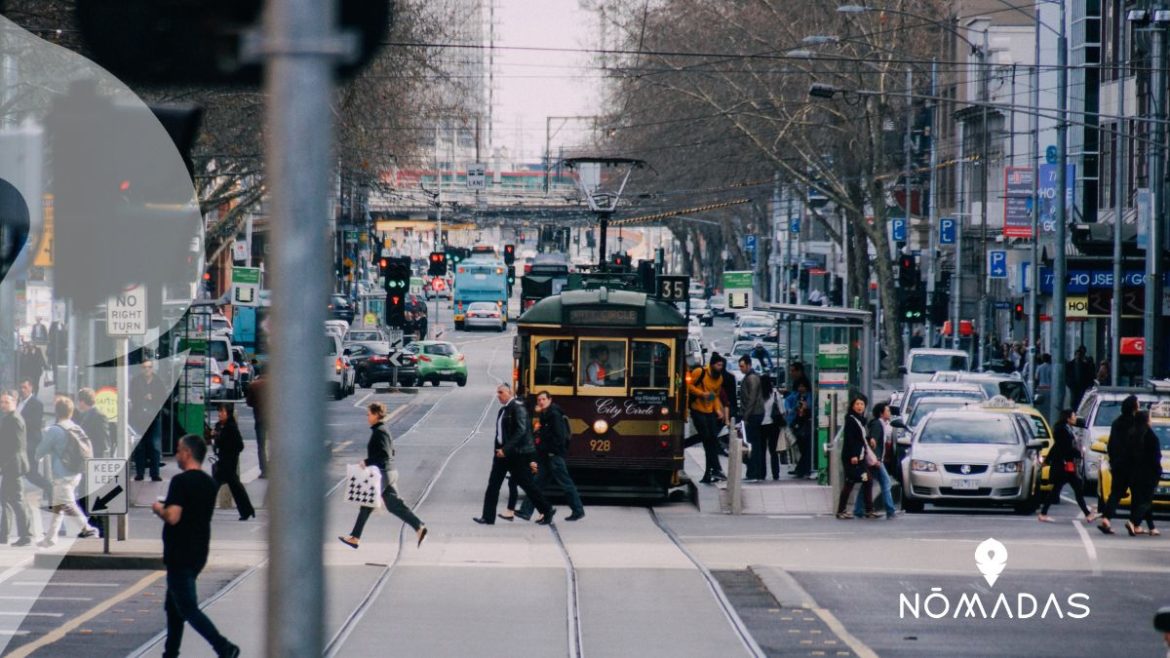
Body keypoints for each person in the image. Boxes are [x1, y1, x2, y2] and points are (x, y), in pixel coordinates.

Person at [152, 435, 240, 658]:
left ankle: (223, 646)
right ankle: (170, 653)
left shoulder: (180, 482)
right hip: (199, 551)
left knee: (188, 608)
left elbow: (173, 516)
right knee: (173, 608)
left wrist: (158, 508)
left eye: (179, 450)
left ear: (188, 453)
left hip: (179, 553)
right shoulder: (208, 483)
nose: (177, 455)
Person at [339, 402, 428, 547]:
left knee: (366, 504)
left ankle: (355, 537)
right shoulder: (383, 430)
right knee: (394, 506)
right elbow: (391, 452)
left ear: (376, 414)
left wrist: (366, 462)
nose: (367, 417)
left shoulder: (380, 431)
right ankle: (419, 527)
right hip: (389, 472)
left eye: (369, 414)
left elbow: (384, 454)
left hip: (383, 474)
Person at [473, 384, 556, 525]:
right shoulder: (503, 410)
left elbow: (521, 431)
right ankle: (488, 517)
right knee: (493, 484)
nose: (498, 395)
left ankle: (547, 510)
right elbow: (501, 433)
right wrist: (499, 450)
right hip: (502, 454)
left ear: (510, 392)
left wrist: (506, 449)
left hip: (515, 454)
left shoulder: (517, 408)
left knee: (527, 484)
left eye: (501, 392)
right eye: (497, 392)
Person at [35, 396, 97, 547]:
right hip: (76, 472)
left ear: (56, 412)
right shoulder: (76, 427)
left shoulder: (55, 430)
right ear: (71, 412)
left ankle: (88, 529)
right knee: (59, 506)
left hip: (62, 474)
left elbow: (39, 452)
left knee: (68, 504)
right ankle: (50, 538)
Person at [518, 391, 585, 521]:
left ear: (550, 400)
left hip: (553, 456)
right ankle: (525, 511)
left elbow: (559, 436)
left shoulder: (554, 414)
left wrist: (548, 448)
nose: (541, 402)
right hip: (547, 456)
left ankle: (578, 510)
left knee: (566, 484)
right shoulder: (547, 414)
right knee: (537, 484)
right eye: (539, 400)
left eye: (543, 399)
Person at [1038, 409, 1095, 523]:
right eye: (1073, 416)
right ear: (1068, 418)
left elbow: (1056, 447)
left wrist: (1048, 460)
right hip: (1063, 465)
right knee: (1072, 489)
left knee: (1061, 490)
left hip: (1065, 465)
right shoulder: (1062, 430)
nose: (1075, 418)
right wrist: (1078, 453)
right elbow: (1064, 448)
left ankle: (1044, 513)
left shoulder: (1065, 429)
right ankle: (1088, 514)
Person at [1099, 394, 1139, 534]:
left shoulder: (1117, 423)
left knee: (1115, 493)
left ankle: (1106, 518)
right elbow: (1138, 444)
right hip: (1133, 464)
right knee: (1137, 494)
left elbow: (1111, 444)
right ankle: (1133, 522)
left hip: (1118, 464)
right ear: (1134, 407)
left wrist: (1113, 460)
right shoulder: (1135, 423)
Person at [208, 404, 255, 522]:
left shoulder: (231, 427)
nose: (219, 414)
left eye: (222, 412)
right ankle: (247, 510)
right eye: (219, 412)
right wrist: (214, 436)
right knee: (235, 488)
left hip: (228, 462)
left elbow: (239, 445)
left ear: (228, 413)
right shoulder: (219, 426)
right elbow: (215, 441)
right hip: (222, 462)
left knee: (215, 487)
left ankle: (204, 510)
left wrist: (222, 442)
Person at [688, 353, 727, 484]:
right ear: (712, 364)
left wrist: (718, 411)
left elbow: (714, 396)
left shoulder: (719, 378)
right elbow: (689, 386)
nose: (720, 367)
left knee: (711, 441)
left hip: (709, 411)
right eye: (718, 365)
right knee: (707, 439)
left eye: (722, 365)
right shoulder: (700, 372)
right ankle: (715, 469)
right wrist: (701, 394)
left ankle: (709, 473)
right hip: (697, 410)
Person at [0, 391, 33, 546]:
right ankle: (4, 535)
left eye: (6, 402)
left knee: (17, 501)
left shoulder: (14, 420)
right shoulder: (9, 419)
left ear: (14, 402)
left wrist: (3, 465)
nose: (3, 405)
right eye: (2, 402)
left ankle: (26, 535)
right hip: (10, 467)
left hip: (14, 467)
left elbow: (15, 447)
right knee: (6, 500)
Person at [855, 402, 897, 519]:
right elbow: (873, 443)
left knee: (867, 484)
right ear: (881, 413)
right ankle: (890, 510)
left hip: (875, 460)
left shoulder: (881, 424)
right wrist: (877, 459)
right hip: (876, 461)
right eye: (887, 411)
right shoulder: (877, 424)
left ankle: (858, 510)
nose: (889, 413)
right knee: (886, 482)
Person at [836, 395, 873, 519]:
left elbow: (862, 437)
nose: (860, 407)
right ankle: (841, 510)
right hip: (852, 457)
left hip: (860, 457)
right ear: (852, 406)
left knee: (866, 481)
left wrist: (870, 439)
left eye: (862, 404)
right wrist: (853, 455)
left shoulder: (861, 420)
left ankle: (868, 510)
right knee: (850, 483)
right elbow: (850, 439)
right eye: (857, 404)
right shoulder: (851, 420)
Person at [1126, 410, 1161, 536]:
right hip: (1148, 473)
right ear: (1146, 420)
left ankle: (1149, 527)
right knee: (1147, 501)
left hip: (1134, 473)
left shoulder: (1131, 434)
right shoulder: (1151, 437)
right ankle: (1133, 521)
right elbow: (1156, 457)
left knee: (1138, 500)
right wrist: (1158, 472)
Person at [130, 359, 167, 482]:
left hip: (153, 417)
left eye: (149, 367)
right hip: (138, 417)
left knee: (154, 445)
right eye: (144, 367)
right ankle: (140, 473)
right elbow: (131, 396)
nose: (147, 369)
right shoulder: (136, 381)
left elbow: (163, 397)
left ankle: (154, 473)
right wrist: (141, 398)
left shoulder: (158, 381)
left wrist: (153, 397)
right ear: (141, 369)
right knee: (140, 446)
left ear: (152, 368)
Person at [16, 379, 52, 500]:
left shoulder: (36, 404)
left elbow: (35, 424)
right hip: (18, 444)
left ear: (31, 388)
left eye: (25, 387)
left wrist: (18, 421)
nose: (22, 390)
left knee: (31, 474)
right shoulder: (18, 402)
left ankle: (50, 489)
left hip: (30, 444)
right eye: (21, 387)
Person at [737, 356, 766, 482]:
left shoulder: (752, 378)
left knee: (753, 444)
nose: (741, 368)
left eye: (742, 366)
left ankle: (754, 472)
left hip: (754, 414)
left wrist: (745, 417)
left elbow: (752, 399)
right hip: (753, 414)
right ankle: (754, 471)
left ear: (749, 365)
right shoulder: (749, 377)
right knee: (753, 443)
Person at [760, 376, 786, 480]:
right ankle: (776, 474)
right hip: (773, 425)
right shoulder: (775, 394)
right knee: (773, 451)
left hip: (761, 425)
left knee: (762, 451)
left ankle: (762, 474)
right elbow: (782, 410)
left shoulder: (758, 395)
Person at [785, 379, 813, 478]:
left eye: (803, 386)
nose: (801, 389)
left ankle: (802, 469)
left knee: (806, 448)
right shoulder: (796, 396)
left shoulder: (810, 396)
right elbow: (788, 402)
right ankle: (802, 468)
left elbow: (811, 407)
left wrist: (806, 407)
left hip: (807, 423)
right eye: (799, 386)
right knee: (801, 447)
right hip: (798, 423)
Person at [76, 388, 113, 459]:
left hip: (96, 456)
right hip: (87, 455)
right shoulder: (83, 415)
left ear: (82, 401)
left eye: (78, 401)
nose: (78, 403)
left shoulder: (99, 416)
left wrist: (105, 458)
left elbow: (104, 440)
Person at [243, 374, 267, 478]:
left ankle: (264, 470)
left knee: (261, 446)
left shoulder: (254, 385)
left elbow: (249, 402)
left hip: (260, 418)